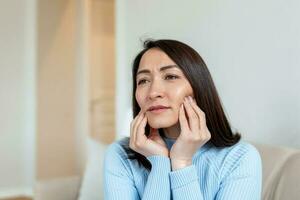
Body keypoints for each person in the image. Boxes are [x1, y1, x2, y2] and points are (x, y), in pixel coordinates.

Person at [103, 39, 262, 199]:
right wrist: (159, 163)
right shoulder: (119, 155)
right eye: (143, 80)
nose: (153, 92)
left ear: (198, 87)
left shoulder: (240, 159)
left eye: (170, 76)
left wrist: (182, 162)